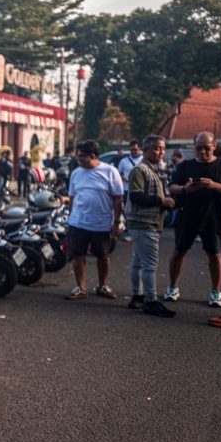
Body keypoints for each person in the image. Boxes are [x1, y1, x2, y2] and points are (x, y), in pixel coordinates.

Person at [164, 131, 221, 308]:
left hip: (213, 217)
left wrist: (213, 185)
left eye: (206, 148)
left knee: (215, 255)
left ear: (215, 146)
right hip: (187, 216)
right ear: (194, 147)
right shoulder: (185, 166)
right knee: (179, 252)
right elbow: (172, 187)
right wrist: (185, 188)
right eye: (198, 148)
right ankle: (172, 287)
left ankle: (216, 292)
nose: (202, 152)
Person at [64, 140, 124, 300]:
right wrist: (70, 220)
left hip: (101, 223)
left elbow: (118, 199)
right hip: (78, 222)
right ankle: (81, 288)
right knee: (78, 255)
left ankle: (102, 285)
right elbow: (72, 198)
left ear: (92, 156)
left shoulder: (110, 171)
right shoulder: (76, 173)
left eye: (81, 156)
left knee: (103, 256)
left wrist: (116, 222)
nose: (78, 159)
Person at [125, 135, 176, 317]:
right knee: (149, 264)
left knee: (138, 262)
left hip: (148, 222)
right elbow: (136, 196)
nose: (161, 152)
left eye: (163, 149)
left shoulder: (154, 169)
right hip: (143, 222)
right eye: (156, 148)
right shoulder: (140, 170)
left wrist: (169, 202)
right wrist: (161, 201)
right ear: (145, 150)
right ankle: (151, 301)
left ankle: (138, 297)